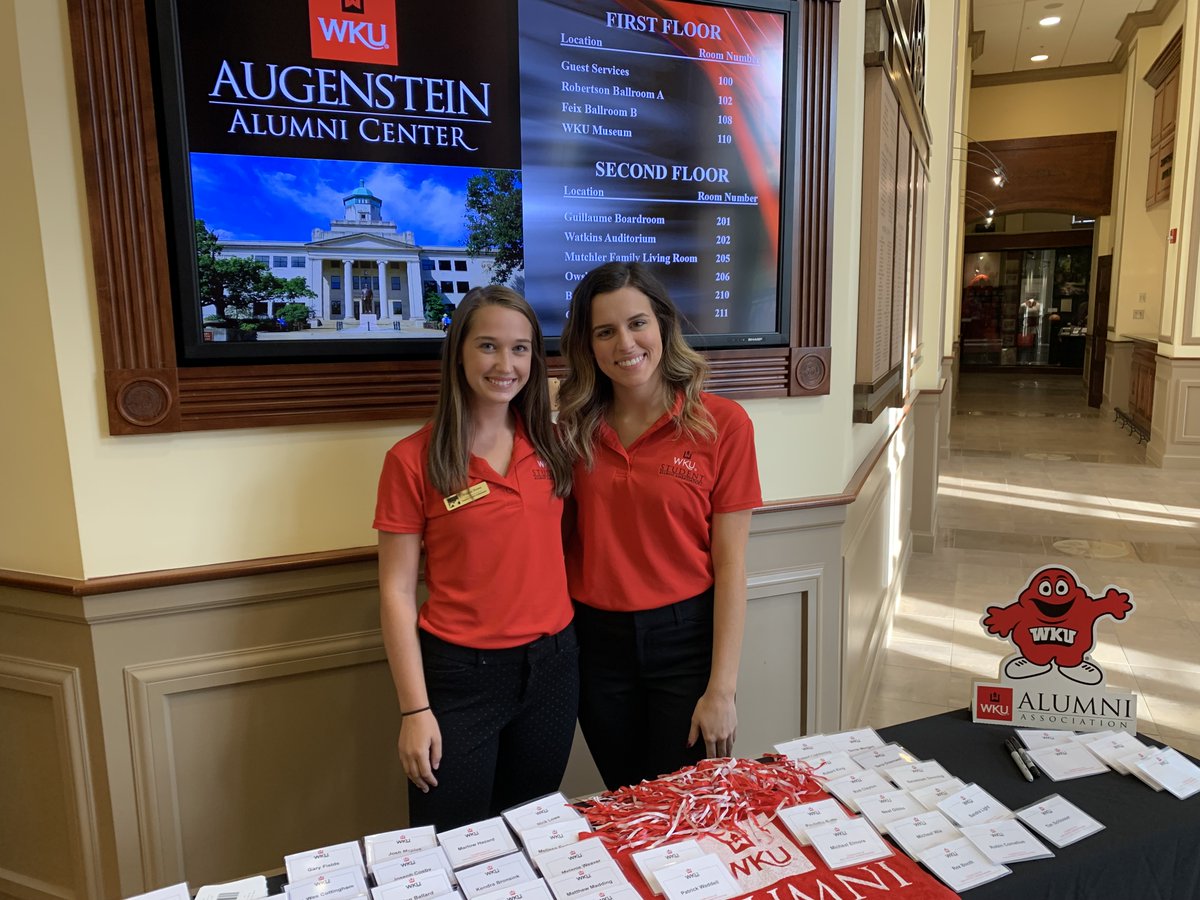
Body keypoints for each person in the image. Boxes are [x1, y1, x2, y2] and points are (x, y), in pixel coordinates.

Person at [374, 286, 577, 830]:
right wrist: (415, 710)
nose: (505, 364)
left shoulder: (555, 445)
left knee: (528, 833)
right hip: (461, 677)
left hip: (554, 668)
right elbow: (395, 591)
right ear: (459, 353)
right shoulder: (411, 460)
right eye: (488, 346)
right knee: (451, 843)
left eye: (521, 348)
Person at [556, 262, 762, 790]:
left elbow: (731, 564)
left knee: (683, 806)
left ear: (664, 326)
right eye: (605, 331)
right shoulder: (571, 431)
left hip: (685, 642)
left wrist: (723, 690)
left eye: (637, 323)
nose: (625, 343)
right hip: (596, 647)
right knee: (627, 802)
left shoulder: (723, 424)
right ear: (589, 345)